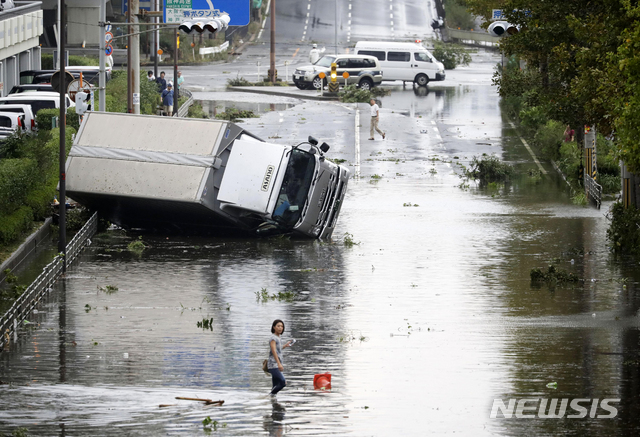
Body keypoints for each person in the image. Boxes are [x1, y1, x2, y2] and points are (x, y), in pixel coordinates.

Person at [267, 319, 293, 396]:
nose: (280, 328)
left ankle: (273, 402)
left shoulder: (278, 337)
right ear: (274, 327)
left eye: (282, 326)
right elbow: (274, 351)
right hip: (273, 365)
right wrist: (279, 364)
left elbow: (278, 349)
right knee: (283, 382)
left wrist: (285, 345)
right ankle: (269, 396)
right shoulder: (273, 338)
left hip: (276, 364)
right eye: (278, 326)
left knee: (275, 386)